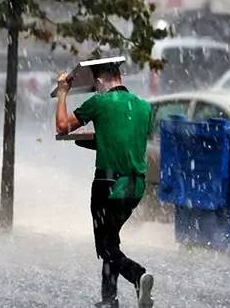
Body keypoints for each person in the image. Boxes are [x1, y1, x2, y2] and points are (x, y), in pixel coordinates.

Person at [55, 61, 155, 308]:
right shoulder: (144, 107)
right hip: (136, 188)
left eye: (95, 86)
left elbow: (62, 126)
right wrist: (103, 139)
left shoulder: (99, 103)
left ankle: (137, 275)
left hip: (108, 184)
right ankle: (109, 299)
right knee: (112, 240)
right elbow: (128, 139)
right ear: (120, 75)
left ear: (99, 82)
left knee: (105, 246)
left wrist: (62, 93)